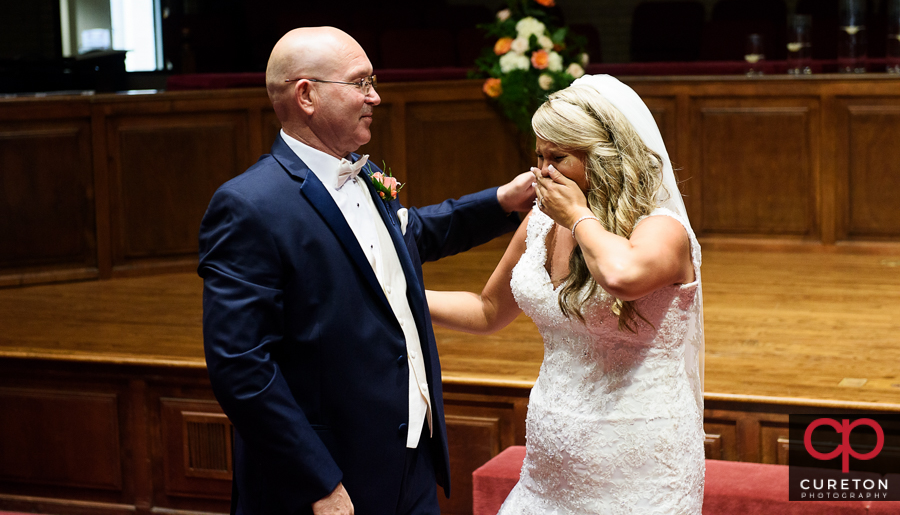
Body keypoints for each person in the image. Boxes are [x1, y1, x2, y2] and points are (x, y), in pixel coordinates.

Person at [199, 27, 535, 515]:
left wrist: (501, 202)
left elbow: (408, 234)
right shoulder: (249, 205)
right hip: (330, 479)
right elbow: (241, 366)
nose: (374, 96)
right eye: (360, 82)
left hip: (410, 461)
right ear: (307, 94)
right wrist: (319, 482)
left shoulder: (361, 171)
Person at [426, 74, 705, 514]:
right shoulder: (541, 223)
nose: (543, 172)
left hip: (638, 463)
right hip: (549, 472)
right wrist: (396, 295)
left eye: (558, 157)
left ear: (605, 158)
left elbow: (621, 275)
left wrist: (576, 215)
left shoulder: (662, 229)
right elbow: (487, 310)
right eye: (539, 156)